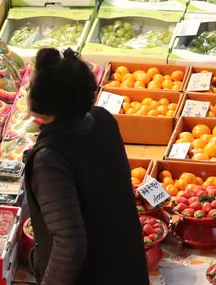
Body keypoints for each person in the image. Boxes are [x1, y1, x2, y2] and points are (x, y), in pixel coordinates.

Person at [24, 48, 148, 285]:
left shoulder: (50, 158)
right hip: (126, 265)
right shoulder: (103, 120)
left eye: (31, 86)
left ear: (44, 98)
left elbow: (70, 243)